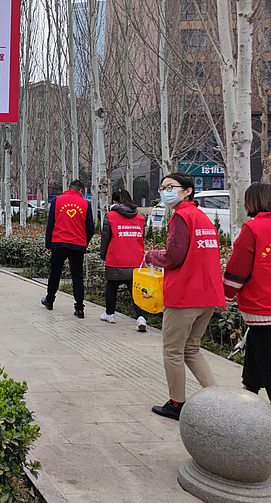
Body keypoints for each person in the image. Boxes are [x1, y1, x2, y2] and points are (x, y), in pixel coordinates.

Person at [145, 172, 222, 420]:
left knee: (173, 351)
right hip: (207, 294)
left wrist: (151, 255)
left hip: (185, 295)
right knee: (191, 349)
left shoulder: (181, 216)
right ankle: (219, 400)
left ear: (188, 191)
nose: (165, 192)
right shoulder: (203, 218)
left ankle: (177, 403)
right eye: (162, 188)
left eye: (171, 187)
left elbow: (173, 256)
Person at [223, 181, 271, 401]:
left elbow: (237, 270)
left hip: (261, 305)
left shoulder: (253, 229)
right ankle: (250, 387)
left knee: (266, 354)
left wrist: (226, 296)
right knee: (256, 345)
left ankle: (252, 389)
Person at [41, 180, 95, 318]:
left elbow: (50, 224)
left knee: (55, 273)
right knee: (77, 276)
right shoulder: (86, 204)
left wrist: (48, 244)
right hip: (77, 244)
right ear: (81, 190)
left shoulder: (56, 201)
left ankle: (50, 300)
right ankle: (79, 308)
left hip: (59, 242)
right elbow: (90, 227)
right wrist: (84, 242)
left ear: (69, 188)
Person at [99, 189, 147, 330]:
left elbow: (105, 239)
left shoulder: (110, 216)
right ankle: (141, 317)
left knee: (111, 286)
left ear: (115, 202)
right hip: (136, 259)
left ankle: (110, 314)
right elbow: (141, 238)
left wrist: (103, 256)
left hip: (116, 258)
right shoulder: (140, 218)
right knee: (136, 290)